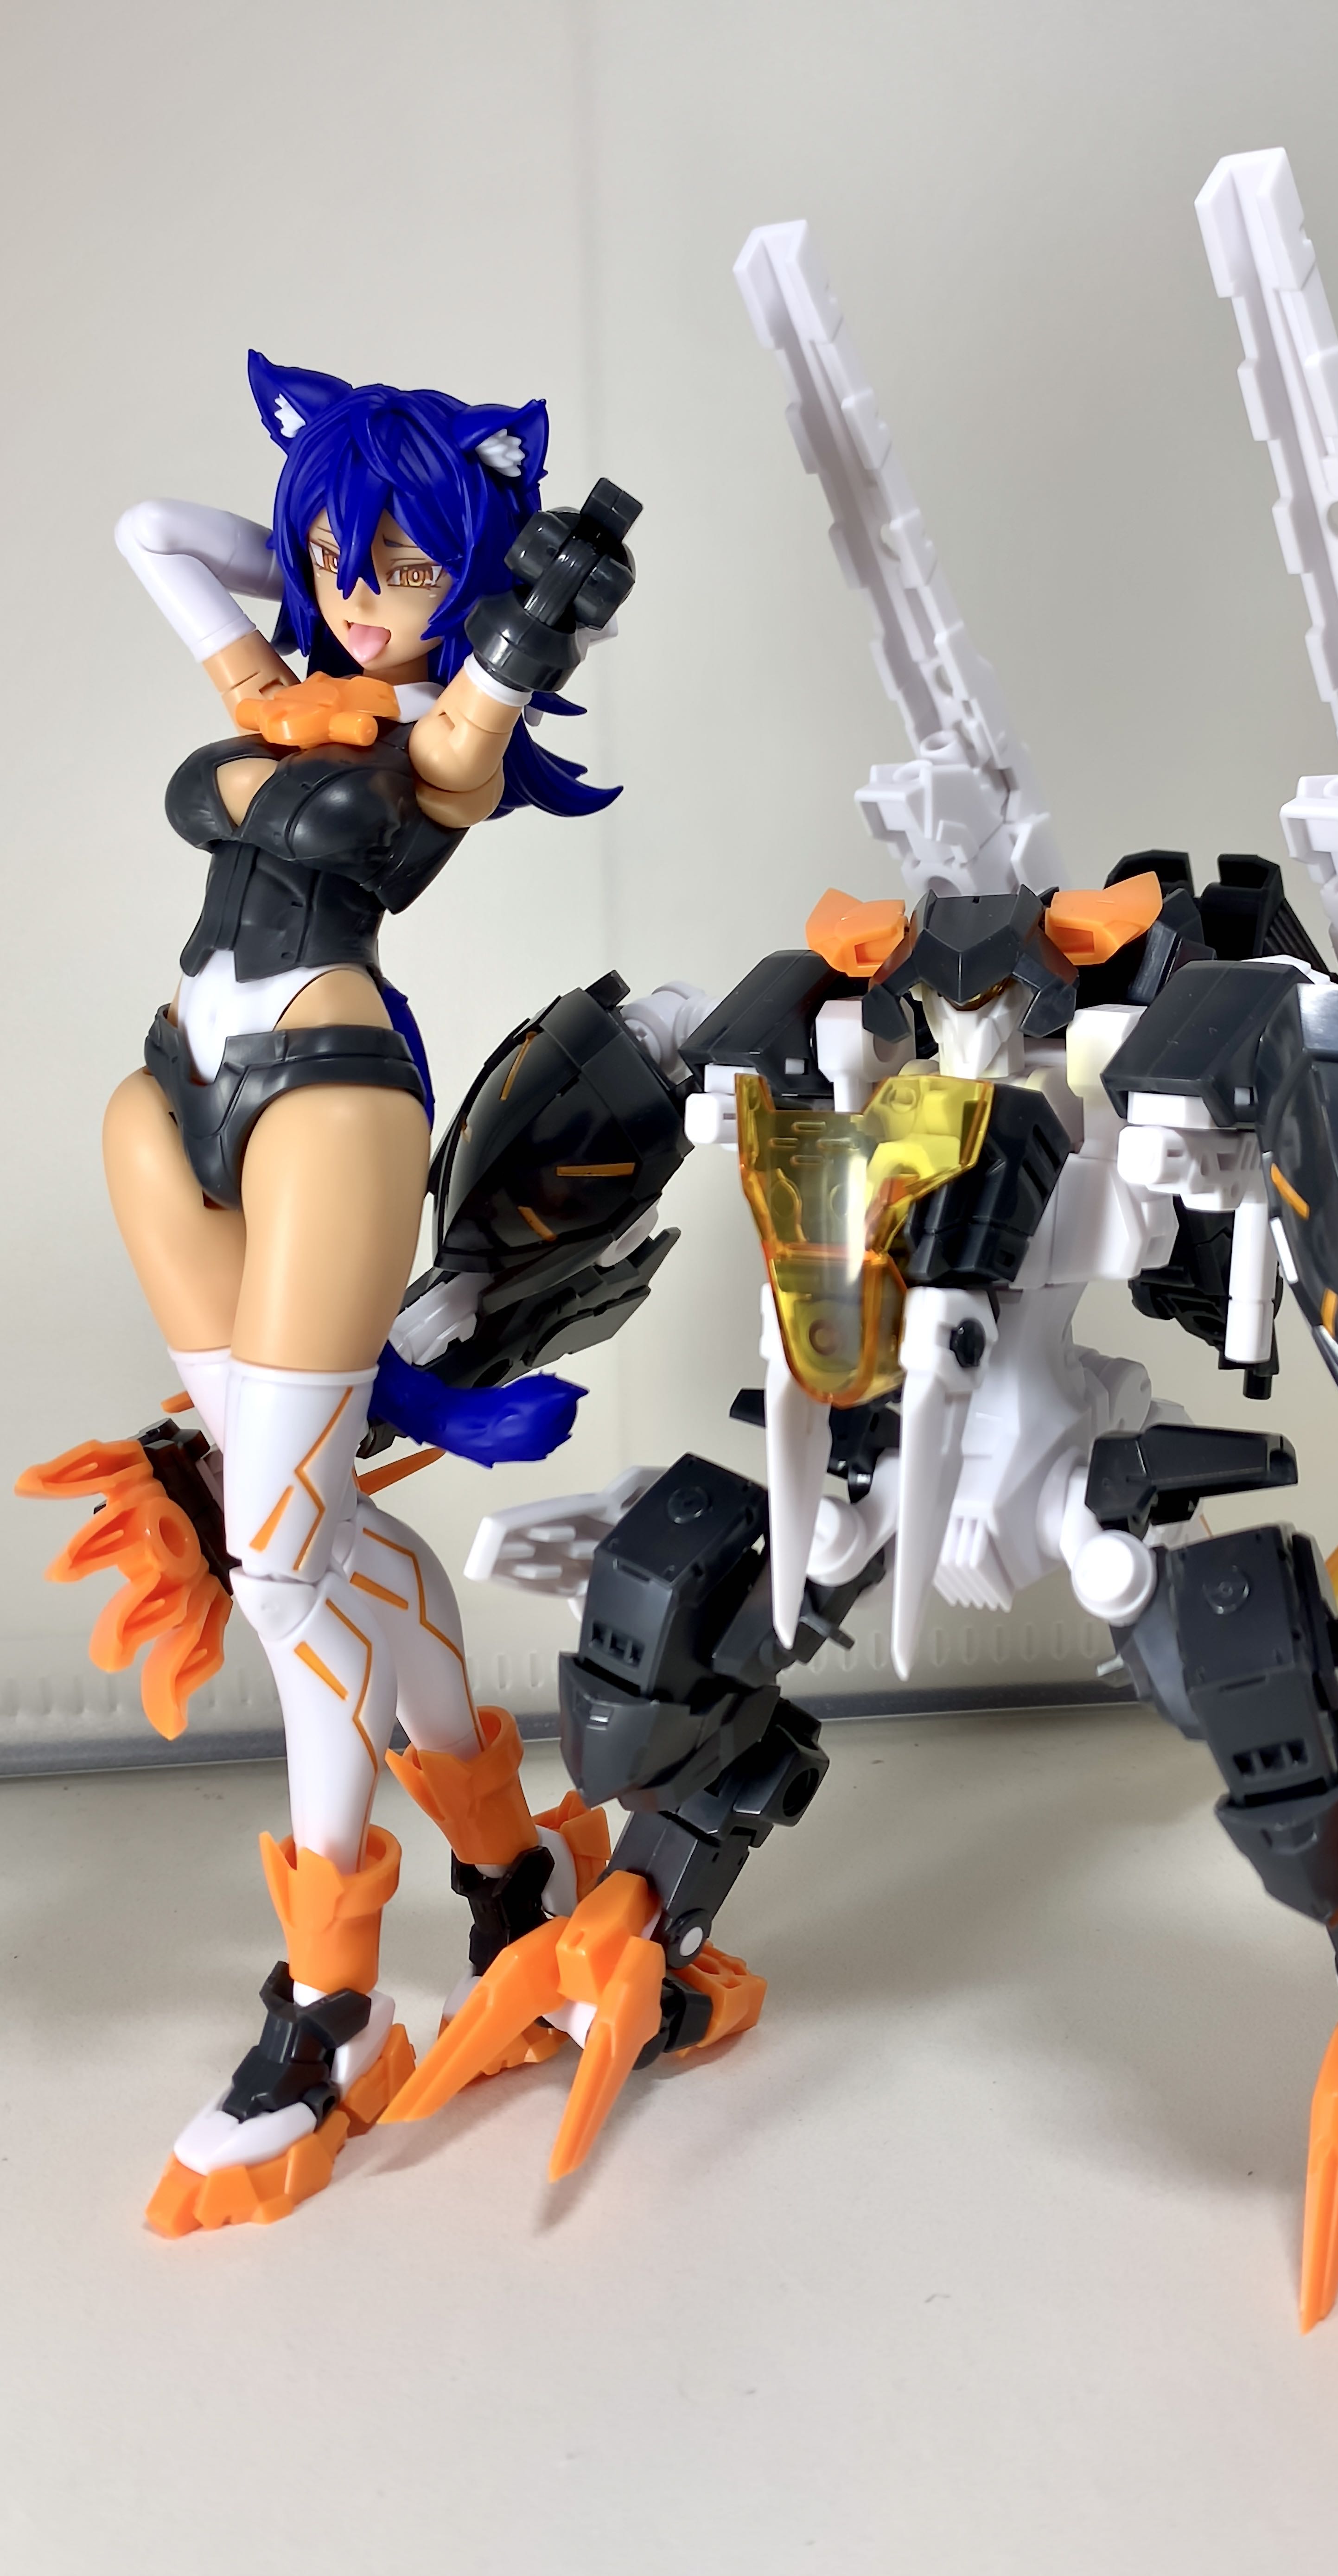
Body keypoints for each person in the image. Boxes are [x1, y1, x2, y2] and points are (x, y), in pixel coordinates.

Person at [98, 356, 631, 2233]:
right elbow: (148, 533)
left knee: (276, 1565)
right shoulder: (281, 674)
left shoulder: (442, 730)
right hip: (169, 1100)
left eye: (406, 567)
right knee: (309, 1536)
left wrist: (497, 604)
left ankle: (333, 2002)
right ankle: (512, 1874)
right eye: (343, 559)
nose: (363, 594)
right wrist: (335, 542)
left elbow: (476, 718)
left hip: (325, 1100)